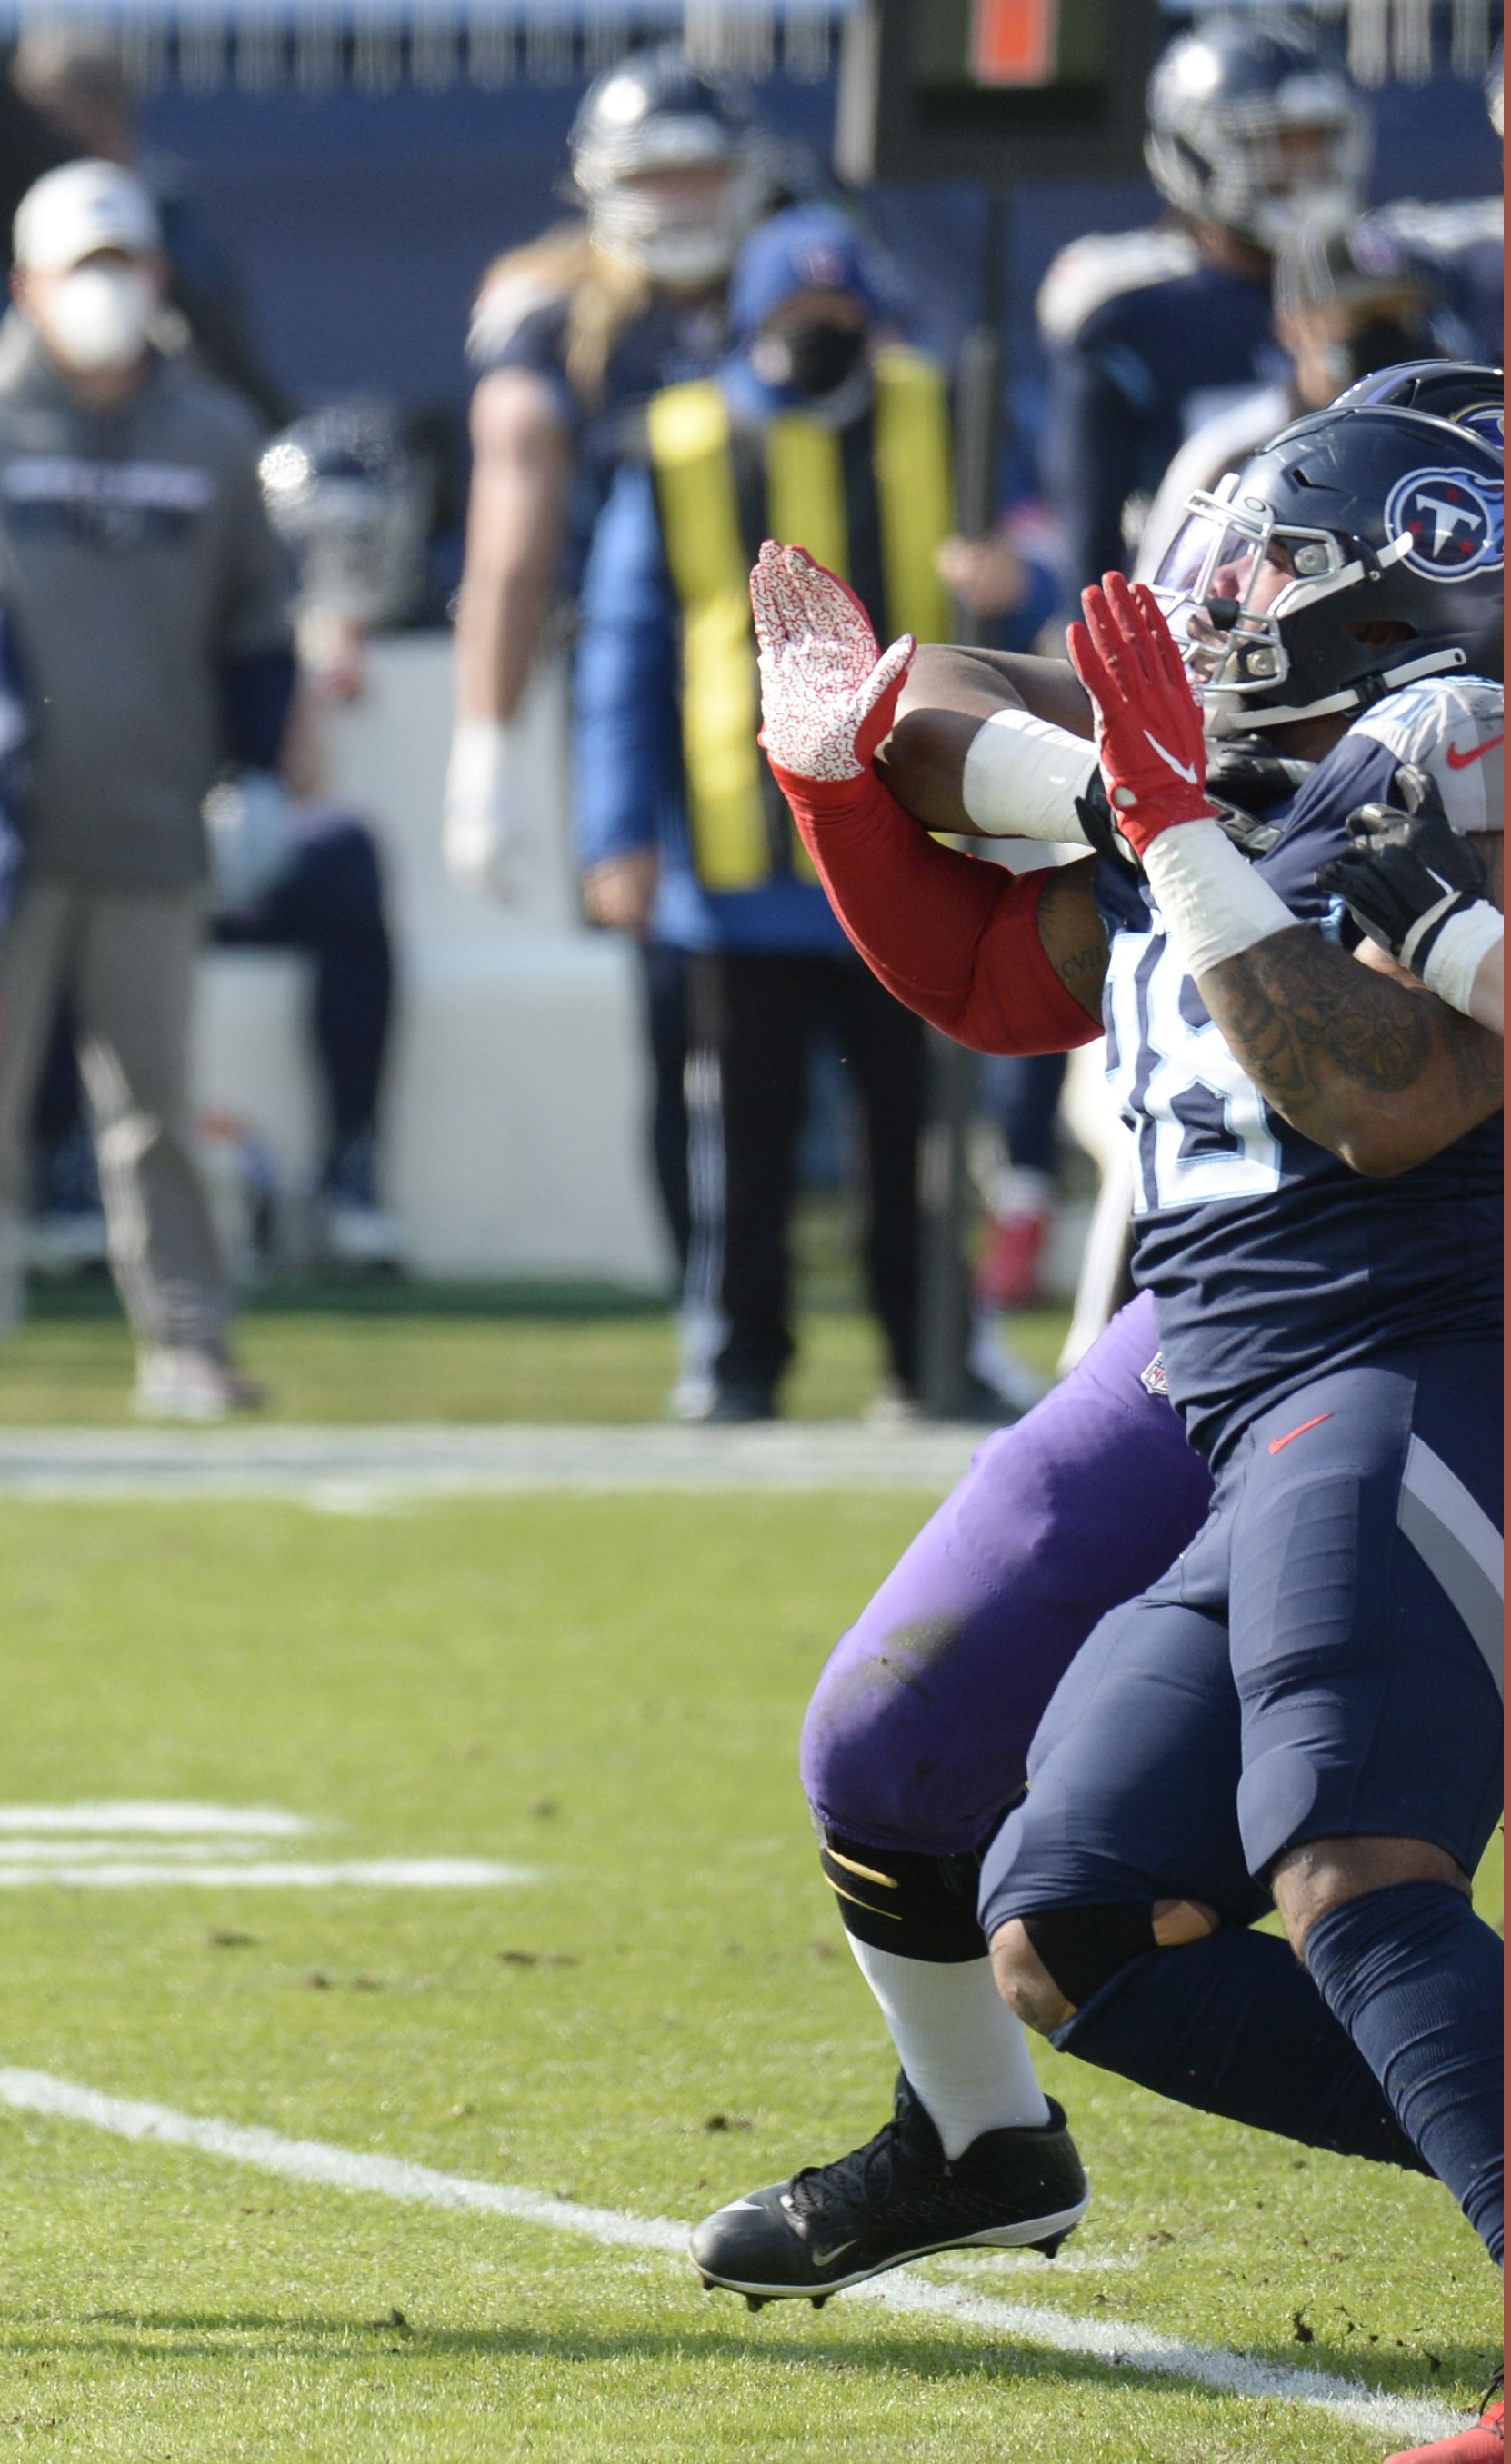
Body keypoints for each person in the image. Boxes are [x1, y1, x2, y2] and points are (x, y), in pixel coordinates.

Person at [712, 409, 1501, 2340]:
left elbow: (1389, 1093)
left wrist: (1174, 828)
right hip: (1244, 1369)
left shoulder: (1438, 773)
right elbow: (998, 962)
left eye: (1254, 569)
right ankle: (981, 2137)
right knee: (1065, 1908)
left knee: (1338, 1842)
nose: (1205, 603)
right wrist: (836, 772)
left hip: (1407, 1343)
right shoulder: (1212, 783)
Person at [0, 160, 289, 1424]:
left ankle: (187, 1340)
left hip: (154, 823)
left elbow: (257, 629)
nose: (107, 292)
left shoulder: (212, 434)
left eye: (125, 264)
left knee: (155, 1107)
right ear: (24, 286)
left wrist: (257, 773)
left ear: (159, 276)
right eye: (80, 268)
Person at [572, 209, 947, 1422]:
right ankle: (736, 1353)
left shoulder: (937, 408)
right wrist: (615, 827)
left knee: (918, 1135)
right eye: (800, 321)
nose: (825, 340)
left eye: (844, 321)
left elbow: (1027, 554)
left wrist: (1023, 578)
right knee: (745, 1138)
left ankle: (927, 1346)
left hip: (918, 840)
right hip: (744, 860)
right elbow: (625, 648)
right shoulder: (685, 441)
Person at [444, 45, 771, 912]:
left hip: (792, 651)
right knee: (674, 961)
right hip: (629, 665)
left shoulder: (794, 284)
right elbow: (509, 558)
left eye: (702, 173)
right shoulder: (552, 314)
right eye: (657, 176)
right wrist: (485, 748)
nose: (684, 200)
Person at [1036, 13, 1369, 604]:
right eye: (1279, 144)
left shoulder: (1379, 286)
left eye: (1315, 141)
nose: (1305, 168)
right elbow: (1091, 535)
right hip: (1197, 617)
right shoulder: (1133, 309)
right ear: (1198, 149)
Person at [0, 19, 269, 494]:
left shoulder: (184, 242)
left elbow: (229, 413)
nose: (64, 167)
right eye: (45, 140)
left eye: (86, 143)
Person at [226, 401, 410, 1272]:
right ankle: (60, 1162)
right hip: (132, 843)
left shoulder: (271, 615)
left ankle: (351, 1163)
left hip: (228, 851)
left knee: (346, 858)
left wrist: (302, 661)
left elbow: (300, 780)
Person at [1146, 218, 1452, 522]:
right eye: (1361, 315)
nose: (1385, 334)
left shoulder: (1449, 435)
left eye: (1398, 314)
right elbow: (1170, 569)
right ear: (1293, 326)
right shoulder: (1231, 452)